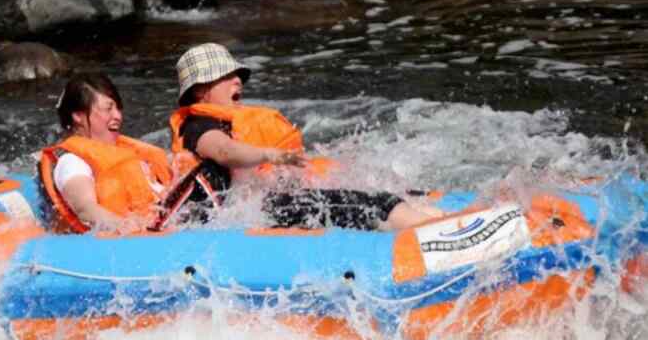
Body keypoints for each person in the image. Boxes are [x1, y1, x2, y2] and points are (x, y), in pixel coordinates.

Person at [169, 43, 443, 231]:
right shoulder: (197, 125)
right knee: (366, 204)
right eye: (226, 76)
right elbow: (225, 152)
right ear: (201, 91)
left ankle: (433, 216)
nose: (238, 81)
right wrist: (269, 154)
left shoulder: (230, 122)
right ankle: (431, 232)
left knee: (355, 187)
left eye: (237, 75)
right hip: (242, 217)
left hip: (255, 208)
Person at [40, 72, 174, 233]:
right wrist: (124, 226)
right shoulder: (72, 162)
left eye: (118, 108)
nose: (118, 115)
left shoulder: (127, 151)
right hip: (126, 241)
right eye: (108, 109)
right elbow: (86, 209)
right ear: (78, 116)